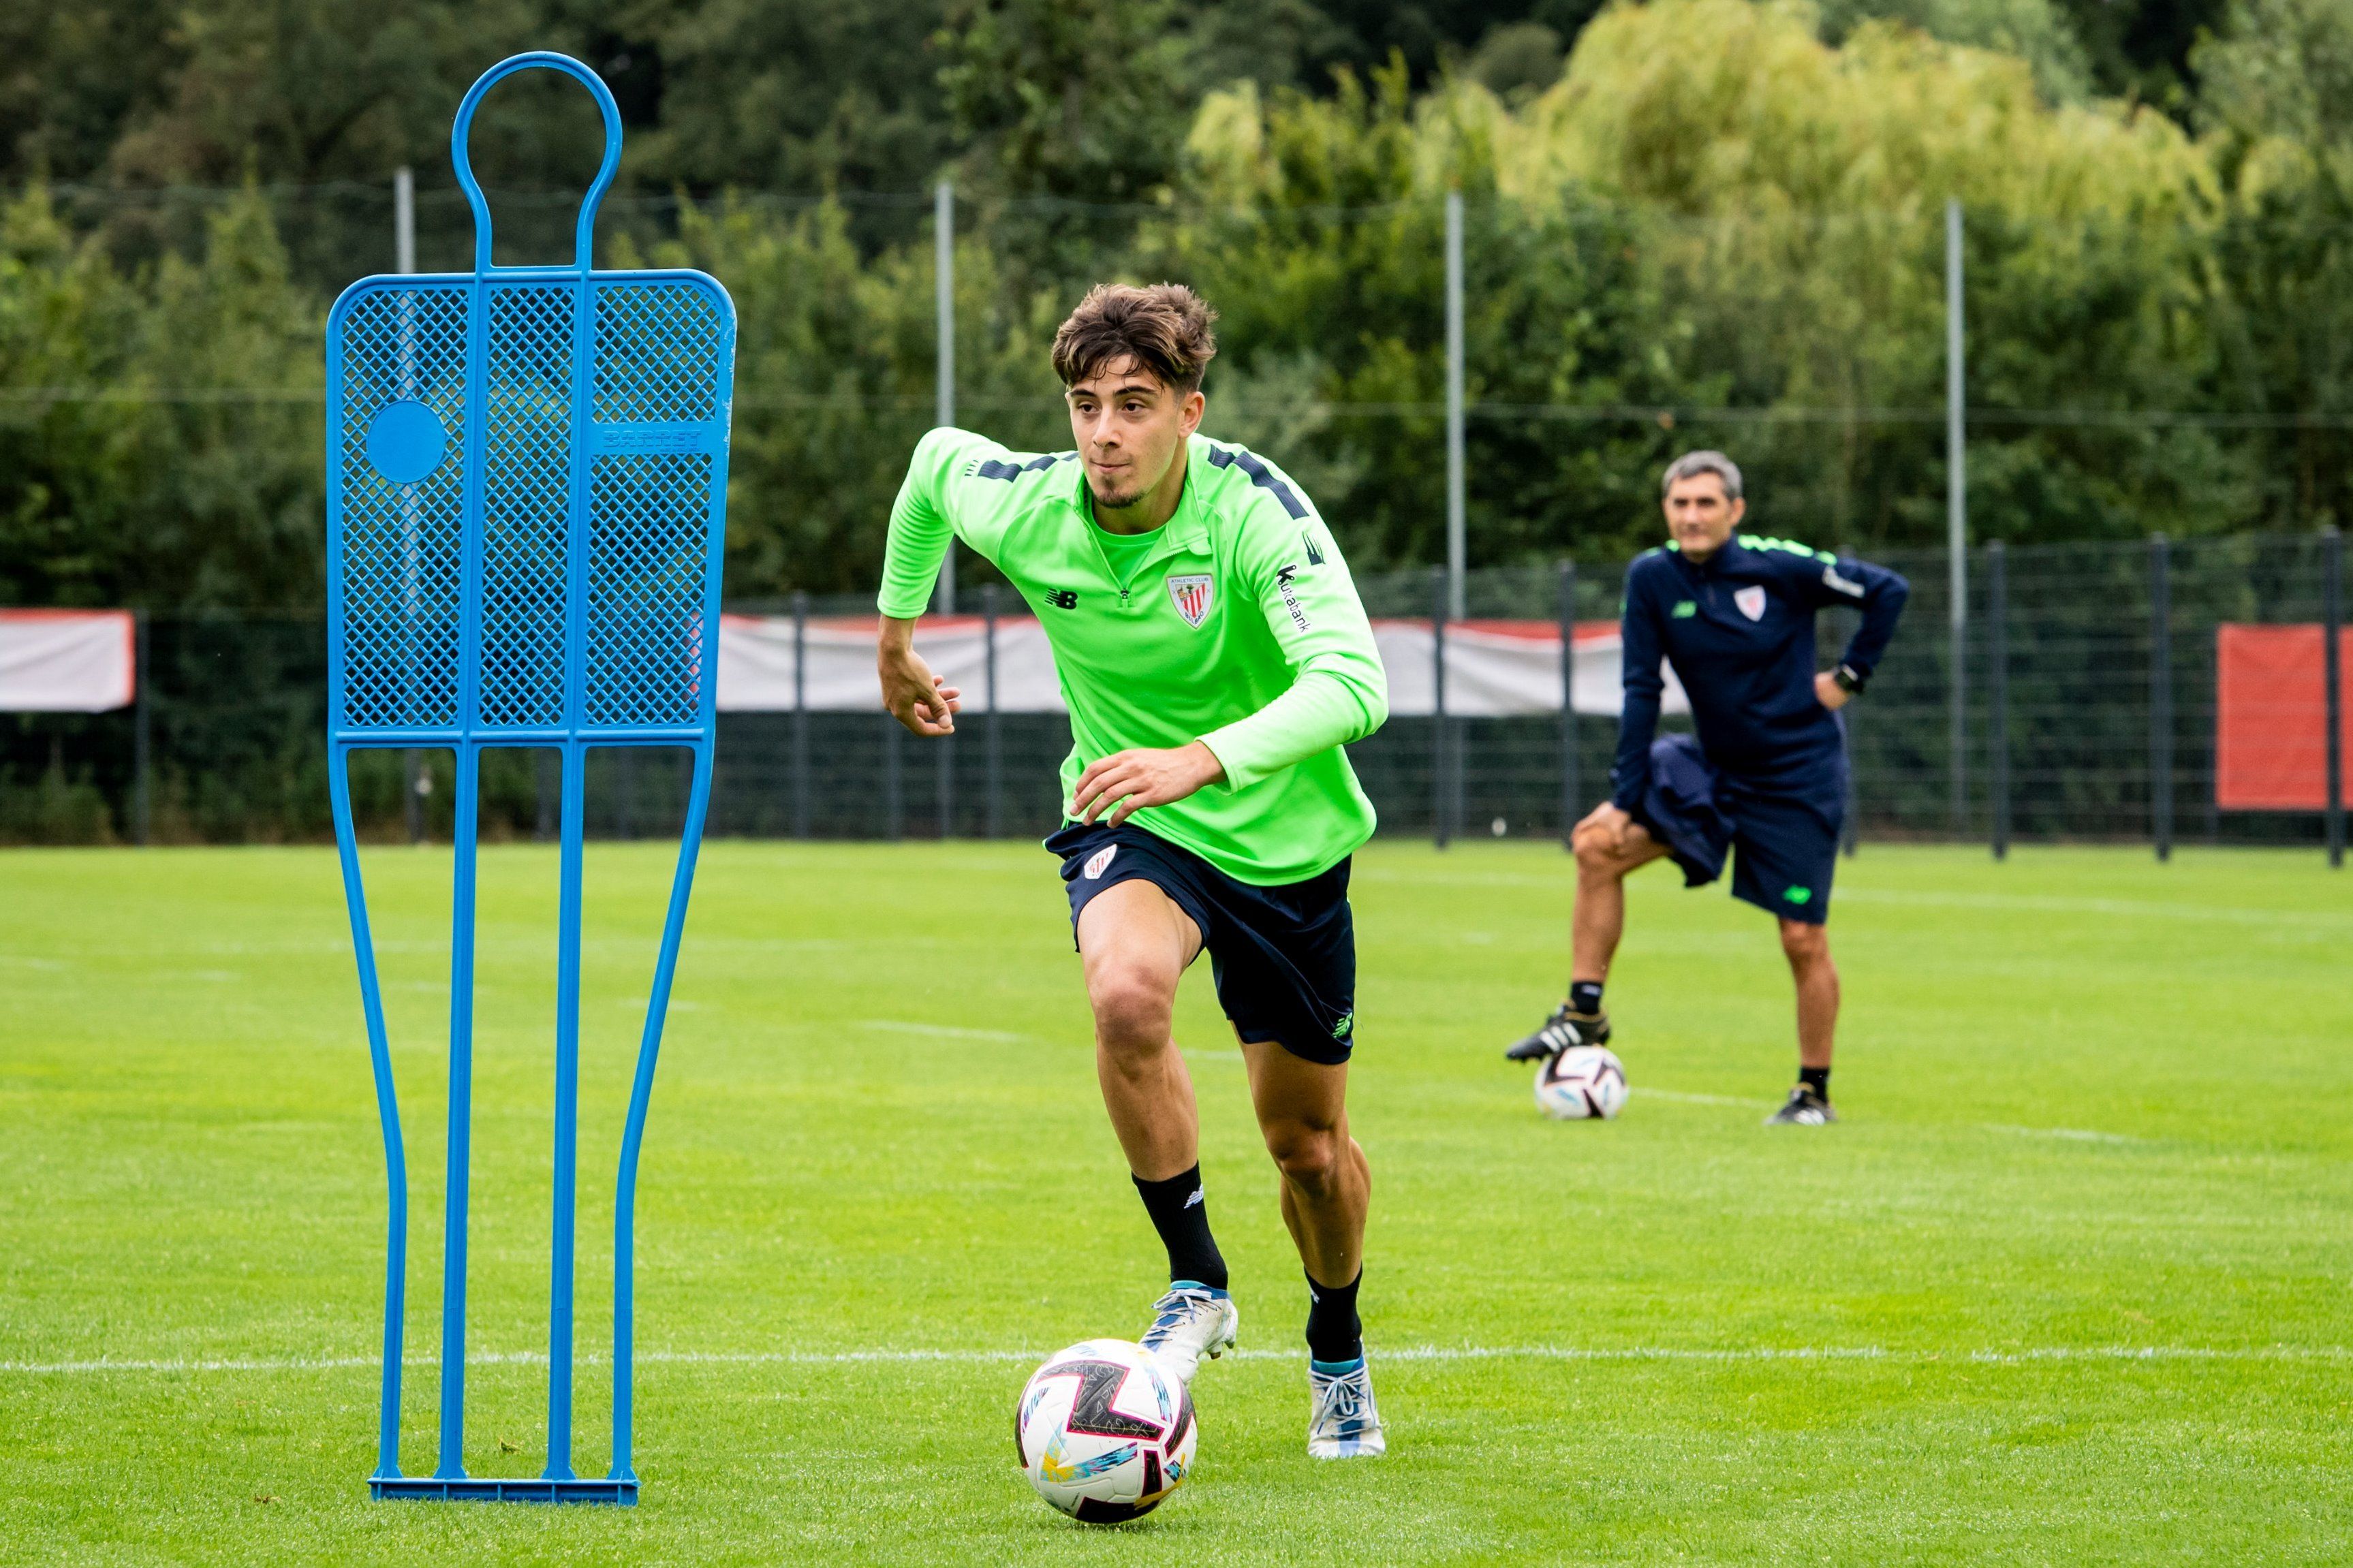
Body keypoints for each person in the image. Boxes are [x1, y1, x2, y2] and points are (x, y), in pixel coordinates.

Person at [874, 283, 1391, 1457]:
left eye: (1134, 406)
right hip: (1131, 819)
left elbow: (1353, 685)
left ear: (1187, 412)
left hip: (1286, 848)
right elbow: (929, 467)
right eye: (1084, 404)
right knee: (1122, 994)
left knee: (1307, 1150)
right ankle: (1195, 1279)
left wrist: (1199, 760)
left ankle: (1336, 1344)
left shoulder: (1253, 512)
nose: (1103, 432)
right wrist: (895, 641)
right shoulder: (1029, 504)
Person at [1504, 451, 1909, 1125]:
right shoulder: (1652, 577)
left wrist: (1848, 679)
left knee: (1801, 938)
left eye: (1705, 503)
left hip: (1796, 777)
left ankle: (1812, 1093)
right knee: (1595, 844)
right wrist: (1625, 798)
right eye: (1680, 504)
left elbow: (1887, 590)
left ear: (1735, 510)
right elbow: (1641, 689)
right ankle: (1583, 1012)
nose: (1692, 515)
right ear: (1666, 510)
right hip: (1713, 768)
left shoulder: (1779, 566)